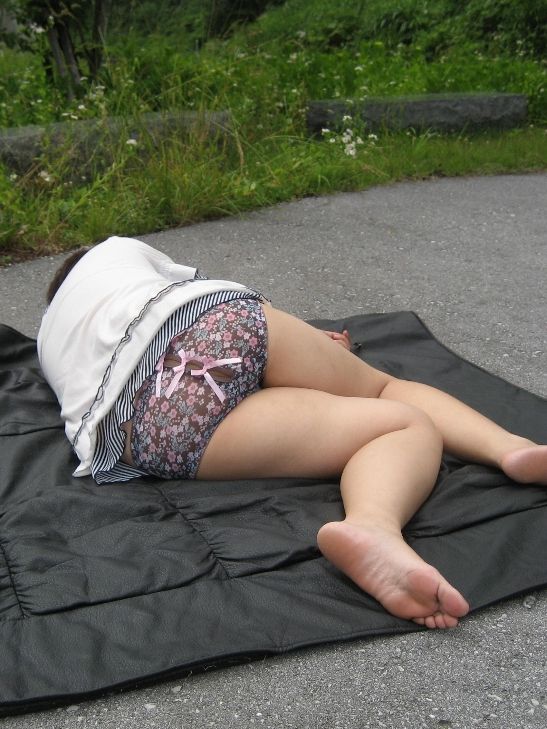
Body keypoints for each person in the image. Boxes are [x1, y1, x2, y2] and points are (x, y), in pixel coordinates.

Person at [38, 236, 547, 630]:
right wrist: (310, 341)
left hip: (144, 427)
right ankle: (512, 450)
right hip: (211, 325)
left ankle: (373, 528)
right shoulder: (114, 250)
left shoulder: (46, 341)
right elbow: (198, 295)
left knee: (396, 429)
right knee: (384, 390)